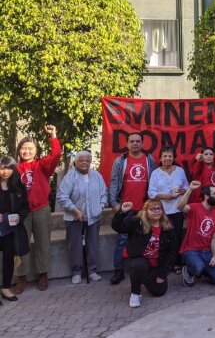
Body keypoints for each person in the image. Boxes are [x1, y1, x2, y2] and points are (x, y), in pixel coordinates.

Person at [14, 124, 61, 293]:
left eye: (30, 148)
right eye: (23, 148)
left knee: (43, 243)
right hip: (21, 212)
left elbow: (56, 155)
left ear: (36, 150)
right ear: (19, 151)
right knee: (20, 244)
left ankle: (42, 274)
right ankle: (21, 277)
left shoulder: (42, 165)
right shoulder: (14, 169)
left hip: (41, 208)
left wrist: (53, 136)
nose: (26, 151)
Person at [108, 132, 158, 285]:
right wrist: (114, 204)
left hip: (144, 208)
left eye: (138, 141)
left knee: (144, 239)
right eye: (132, 141)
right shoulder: (120, 161)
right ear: (127, 144)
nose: (135, 144)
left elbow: (154, 181)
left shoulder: (149, 159)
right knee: (122, 240)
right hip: (126, 208)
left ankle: (143, 269)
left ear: (142, 144)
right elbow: (114, 182)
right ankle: (118, 271)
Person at [112, 200, 177, 308]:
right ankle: (135, 293)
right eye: (152, 209)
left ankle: (143, 278)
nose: (156, 211)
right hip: (138, 259)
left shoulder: (167, 227)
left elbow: (171, 252)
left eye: (158, 208)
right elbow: (117, 227)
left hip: (156, 264)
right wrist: (121, 212)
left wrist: (162, 274)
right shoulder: (137, 222)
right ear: (145, 211)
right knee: (139, 266)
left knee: (159, 291)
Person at [56, 151, 108, 284]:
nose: (84, 162)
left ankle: (92, 271)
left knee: (92, 244)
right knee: (75, 245)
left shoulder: (96, 175)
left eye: (87, 160)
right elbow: (62, 197)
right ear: (76, 162)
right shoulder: (70, 176)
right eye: (81, 160)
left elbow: (104, 193)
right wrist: (75, 210)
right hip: (74, 218)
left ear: (90, 162)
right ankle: (77, 272)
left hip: (93, 217)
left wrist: (101, 206)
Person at [148, 145, 189, 273]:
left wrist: (183, 190)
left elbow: (187, 187)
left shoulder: (180, 171)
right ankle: (163, 264)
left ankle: (176, 263)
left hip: (177, 210)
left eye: (170, 156)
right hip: (161, 212)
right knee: (162, 238)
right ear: (160, 158)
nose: (167, 158)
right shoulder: (155, 173)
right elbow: (151, 193)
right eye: (165, 156)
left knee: (176, 238)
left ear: (173, 158)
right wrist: (166, 196)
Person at [177, 181, 215, 287]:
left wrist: (214, 256)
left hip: (206, 252)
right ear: (207, 196)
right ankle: (189, 271)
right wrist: (190, 189)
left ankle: (202, 269)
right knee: (199, 267)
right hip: (191, 250)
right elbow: (180, 206)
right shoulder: (195, 207)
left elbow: (214, 237)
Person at [0, 156, 29, 302]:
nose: (5, 171)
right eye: (2, 168)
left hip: (11, 229)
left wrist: (19, 217)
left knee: (8, 259)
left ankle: (5, 288)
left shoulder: (18, 185)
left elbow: (25, 207)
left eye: (8, 168)